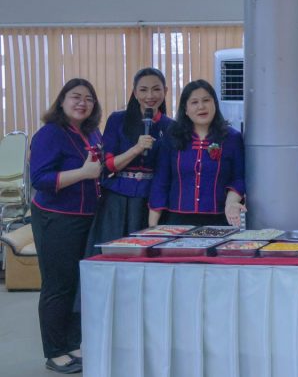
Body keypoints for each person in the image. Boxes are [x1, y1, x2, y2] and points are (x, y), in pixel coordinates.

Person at [28, 78, 103, 373]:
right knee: (58, 285)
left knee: (78, 284)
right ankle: (55, 351)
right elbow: (40, 179)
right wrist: (83, 173)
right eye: (76, 97)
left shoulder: (92, 132)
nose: (82, 103)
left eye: (88, 98)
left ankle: (73, 343)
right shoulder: (49, 134)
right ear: (62, 101)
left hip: (87, 216)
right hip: (56, 217)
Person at [85, 68, 172, 255]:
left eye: (156, 89)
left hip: (151, 201)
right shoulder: (118, 120)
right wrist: (136, 149)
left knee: (147, 258)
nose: (150, 96)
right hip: (116, 200)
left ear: (165, 91)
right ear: (134, 92)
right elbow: (107, 166)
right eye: (143, 90)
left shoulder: (171, 126)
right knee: (112, 255)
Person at [148, 79, 245, 227]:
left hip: (219, 220)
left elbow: (238, 178)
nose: (201, 106)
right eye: (194, 102)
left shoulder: (232, 138)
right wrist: (152, 228)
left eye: (206, 100)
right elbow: (161, 182)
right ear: (185, 109)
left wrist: (231, 203)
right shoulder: (172, 138)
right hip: (176, 221)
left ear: (215, 104)